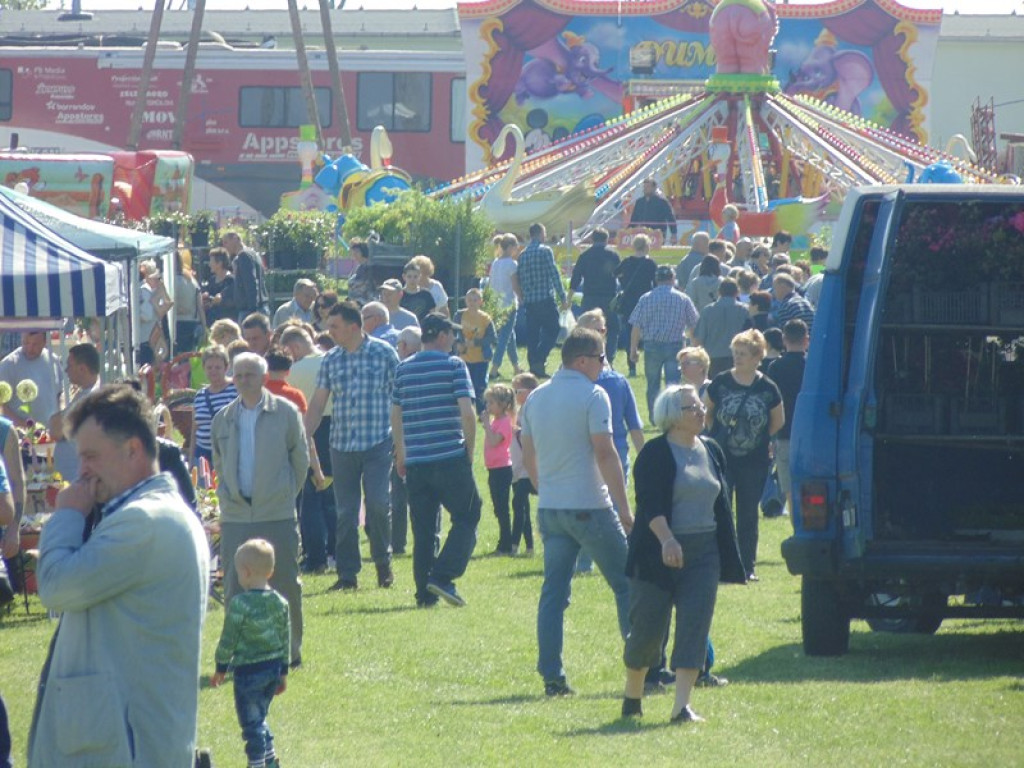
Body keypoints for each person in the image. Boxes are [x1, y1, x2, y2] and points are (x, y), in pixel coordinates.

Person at [28, 384, 209, 766]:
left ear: (133, 449)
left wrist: (67, 515)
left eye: (91, 456)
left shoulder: (144, 521)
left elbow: (57, 586)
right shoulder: (149, 514)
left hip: (124, 748)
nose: (83, 472)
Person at [519, 327, 634, 696]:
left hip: (551, 507)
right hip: (589, 506)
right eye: (601, 358)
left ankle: (552, 675)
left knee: (553, 594)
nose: (604, 365)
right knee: (627, 584)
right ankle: (645, 666)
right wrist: (625, 509)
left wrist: (544, 487)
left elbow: (528, 451)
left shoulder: (536, 396)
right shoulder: (593, 394)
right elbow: (605, 453)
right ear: (582, 360)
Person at [620, 385, 746, 723]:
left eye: (701, 406)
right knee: (648, 629)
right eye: (693, 407)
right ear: (674, 417)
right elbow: (649, 503)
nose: (702, 411)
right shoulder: (656, 453)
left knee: (695, 625)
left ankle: (681, 707)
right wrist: (667, 540)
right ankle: (633, 697)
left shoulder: (712, 449)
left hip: (703, 552)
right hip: (656, 551)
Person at [212, 352, 309, 666]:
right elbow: (218, 462)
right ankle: (241, 651)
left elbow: (300, 460)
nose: (243, 380)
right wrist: (227, 495)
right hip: (236, 515)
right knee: (234, 586)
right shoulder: (223, 418)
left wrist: (283, 495)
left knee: (284, 582)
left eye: (250, 374)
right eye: (238, 375)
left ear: (264, 377)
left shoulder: (286, 412)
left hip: (276, 512)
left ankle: (289, 651)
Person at [304, 301, 399, 591]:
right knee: (345, 512)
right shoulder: (331, 360)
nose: (328, 331)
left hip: (378, 442)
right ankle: (348, 575)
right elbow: (318, 403)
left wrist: (402, 441)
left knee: (379, 505)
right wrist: (302, 437)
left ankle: (383, 562)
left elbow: (399, 399)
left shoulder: (384, 354)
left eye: (334, 326)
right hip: (342, 445)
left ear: (353, 326)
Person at [391, 313, 482, 608]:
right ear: (442, 336)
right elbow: (467, 413)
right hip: (449, 456)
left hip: (416, 460)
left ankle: (424, 594)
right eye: (452, 335)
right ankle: (443, 575)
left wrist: (401, 453)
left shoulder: (403, 369)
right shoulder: (454, 365)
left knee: (424, 530)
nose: (455, 341)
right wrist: (469, 449)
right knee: (468, 515)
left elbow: (396, 414)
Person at [703, 329, 784, 580]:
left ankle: (747, 566)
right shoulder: (722, 382)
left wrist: (757, 439)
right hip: (723, 458)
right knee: (720, 512)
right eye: (735, 353)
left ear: (757, 356)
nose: (737, 357)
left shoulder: (767, 387)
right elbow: (706, 411)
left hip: (754, 461)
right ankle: (720, 564)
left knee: (748, 515)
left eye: (743, 354)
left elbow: (777, 421)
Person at [573, 309, 644, 575]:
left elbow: (634, 424)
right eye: (594, 330)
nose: (600, 335)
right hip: (586, 453)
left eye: (602, 330)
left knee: (612, 508)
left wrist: (644, 457)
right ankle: (588, 561)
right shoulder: (573, 382)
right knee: (594, 508)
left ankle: (620, 560)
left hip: (615, 453)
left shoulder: (617, 381)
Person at [211, 538, 289, 768]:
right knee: (260, 718)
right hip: (273, 668)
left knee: (250, 724)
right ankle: (269, 757)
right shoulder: (280, 603)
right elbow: (285, 637)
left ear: (244, 572)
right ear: (271, 571)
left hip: (248, 671)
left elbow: (229, 639)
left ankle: (256, 763)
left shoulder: (239, 604)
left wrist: (220, 668)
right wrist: (283, 671)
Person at [280, 326, 336, 573]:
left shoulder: (293, 371)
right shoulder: (332, 361)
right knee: (334, 495)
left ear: (294, 347)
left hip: (309, 427)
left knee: (310, 496)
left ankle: (315, 556)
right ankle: (336, 549)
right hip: (337, 427)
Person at [629, 265, 699, 421]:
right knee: (673, 385)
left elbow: (636, 326)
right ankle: (671, 416)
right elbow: (694, 324)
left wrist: (633, 349)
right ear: (673, 279)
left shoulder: (646, 298)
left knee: (652, 384)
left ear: (656, 280)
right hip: (675, 346)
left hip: (652, 346)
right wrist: (694, 347)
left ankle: (654, 417)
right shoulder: (683, 298)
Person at [767, 319, 808, 516]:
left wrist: (771, 436)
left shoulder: (775, 367)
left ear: (784, 339)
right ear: (806, 340)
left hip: (784, 433)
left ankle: (796, 527)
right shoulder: (812, 367)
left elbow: (771, 404)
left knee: (790, 490)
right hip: (810, 435)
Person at [518, 222, 569, 379]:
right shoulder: (545, 251)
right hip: (545, 299)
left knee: (532, 334)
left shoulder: (523, 254)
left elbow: (521, 278)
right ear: (540, 234)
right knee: (553, 329)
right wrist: (563, 296)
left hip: (530, 301)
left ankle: (534, 364)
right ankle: (539, 359)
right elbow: (554, 274)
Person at [390, 326, 422, 555]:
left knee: (398, 496)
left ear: (403, 347)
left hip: (402, 438)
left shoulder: (399, 370)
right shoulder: (436, 367)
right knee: (426, 496)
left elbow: (394, 408)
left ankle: (398, 543)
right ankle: (428, 540)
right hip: (427, 441)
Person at [50, 342, 103, 481]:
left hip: (78, 480)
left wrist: (60, 403)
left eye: (69, 365)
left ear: (82, 369)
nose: (66, 370)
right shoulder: (84, 394)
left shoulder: (90, 398)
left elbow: (56, 430)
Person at [568, 228, 621, 361]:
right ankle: (608, 358)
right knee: (613, 329)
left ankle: (588, 355)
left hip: (590, 297)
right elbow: (621, 275)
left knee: (586, 329)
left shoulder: (585, 256)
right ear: (607, 239)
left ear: (592, 240)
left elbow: (576, 278)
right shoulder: (613, 255)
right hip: (609, 297)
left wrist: (569, 298)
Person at [613, 233, 658, 377]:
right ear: (646, 246)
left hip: (628, 302)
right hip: (646, 301)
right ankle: (650, 366)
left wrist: (624, 282)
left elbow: (615, 274)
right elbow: (656, 283)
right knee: (649, 334)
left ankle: (631, 366)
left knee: (630, 334)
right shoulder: (650, 264)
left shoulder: (626, 262)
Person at [0, 331, 64, 428]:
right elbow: (2, 405)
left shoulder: (53, 361)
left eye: (35, 344)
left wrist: (60, 419)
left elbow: (60, 394)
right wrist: (23, 425)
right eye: (25, 343)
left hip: (50, 434)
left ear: (44, 342)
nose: (29, 349)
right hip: (21, 435)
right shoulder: (9, 364)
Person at [692, 278, 753, 377]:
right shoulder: (745, 310)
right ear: (737, 292)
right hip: (738, 357)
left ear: (719, 292)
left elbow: (698, 339)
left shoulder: (707, 311)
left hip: (713, 358)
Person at [481, 383, 516, 555]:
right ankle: (504, 541)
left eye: (491, 403)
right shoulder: (496, 421)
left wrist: (486, 425)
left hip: (502, 468)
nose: (488, 407)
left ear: (502, 405)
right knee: (497, 507)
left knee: (502, 507)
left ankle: (506, 544)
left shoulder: (504, 422)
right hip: (493, 468)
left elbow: (495, 441)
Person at [191, 345, 238, 470]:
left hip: (227, 455)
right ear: (204, 369)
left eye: (218, 367)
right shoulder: (200, 395)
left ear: (226, 367)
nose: (213, 371)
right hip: (202, 455)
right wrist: (191, 459)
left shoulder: (236, 390)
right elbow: (194, 430)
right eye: (209, 367)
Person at [509, 372, 538, 556]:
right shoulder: (521, 410)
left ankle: (515, 545)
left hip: (529, 469)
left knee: (519, 504)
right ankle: (528, 547)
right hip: (519, 467)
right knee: (521, 507)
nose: (515, 394)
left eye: (517, 390)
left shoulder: (532, 409)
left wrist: (517, 431)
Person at [487, 232, 523, 380]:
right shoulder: (512, 264)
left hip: (496, 303)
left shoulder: (496, 263)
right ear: (510, 247)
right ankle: (494, 368)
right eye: (515, 246)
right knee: (504, 338)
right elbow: (514, 284)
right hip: (508, 303)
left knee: (509, 336)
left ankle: (516, 367)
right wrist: (521, 296)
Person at [455, 288, 497, 412]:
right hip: (464, 357)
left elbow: (492, 337)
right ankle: (465, 409)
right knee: (465, 384)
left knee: (480, 385)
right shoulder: (459, 315)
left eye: (475, 300)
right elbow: (454, 332)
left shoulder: (485, 318)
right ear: (465, 301)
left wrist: (476, 342)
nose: (472, 302)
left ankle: (482, 410)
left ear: (480, 302)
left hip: (481, 357)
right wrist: (459, 344)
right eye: (469, 300)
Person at [222, 231, 269, 320]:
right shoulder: (253, 254)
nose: (224, 246)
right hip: (260, 307)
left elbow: (251, 283)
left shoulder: (243, 256)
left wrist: (252, 311)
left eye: (226, 242)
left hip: (249, 310)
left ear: (235, 239)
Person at [137, 259, 174, 365]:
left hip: (151, 338)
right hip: (144, 339)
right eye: (156, 278)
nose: (158, 281)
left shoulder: (151, 292)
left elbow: (169, 303)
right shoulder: (143, 290)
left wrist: (161, 291)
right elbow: (146, 315)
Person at [629, 177, 677, 244]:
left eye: (648, 186)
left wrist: (673, 234)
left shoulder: (662, 202)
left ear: (654, 188)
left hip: (658, 234)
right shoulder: (639, 202)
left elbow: (670, 218)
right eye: (644, 186)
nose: (645, 188)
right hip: (642, 234)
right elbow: (634, 219)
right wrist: (629, 231)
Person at [174, 253, 205, 354]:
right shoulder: (192, 280)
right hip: (193, 323)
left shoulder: (171, 281)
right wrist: (204, 326)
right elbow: (200, 305)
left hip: (177, 325)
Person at [203, 247, 238, 325]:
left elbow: (233, 302)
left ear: (219, 263)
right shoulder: (211, 280)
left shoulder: (231, 281)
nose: (209, 264)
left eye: (211, 261)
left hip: (228, 323)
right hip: (212, 323)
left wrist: (221, 300)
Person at [346, 240, 377, 307]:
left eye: (357, 251)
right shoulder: (358, 267)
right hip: (354, 302)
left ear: (363, 252)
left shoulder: (369, 268)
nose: (354, 253)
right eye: (353, 251)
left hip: (365, 302)